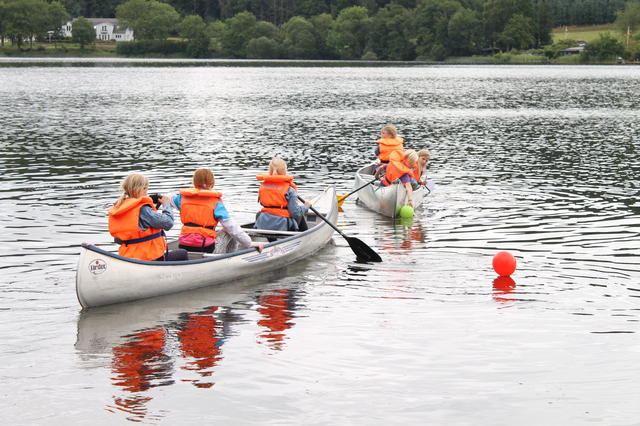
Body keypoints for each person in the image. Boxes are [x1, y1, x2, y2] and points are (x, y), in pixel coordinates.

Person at [172, 168, 263, 253]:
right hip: (206, 248)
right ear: (212, 184)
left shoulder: (182, 198)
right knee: (228, 230)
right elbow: (231, 226)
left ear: (194, 183)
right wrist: (249, 243)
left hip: (184, 245)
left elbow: (167, 200)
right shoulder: (215, 202)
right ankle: (230, 257)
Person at [108, 173, 188, 261]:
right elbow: (168, 223)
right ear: (140, 189)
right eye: (145, 188)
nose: (146, 192)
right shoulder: (143, 209)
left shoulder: (119, 207)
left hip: (128, 257)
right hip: (149, 257)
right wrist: (166, 205)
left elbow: (118, 240)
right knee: (182, 253)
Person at [255, 157, 312, 232]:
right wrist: (306, 207)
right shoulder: (290, 190)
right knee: (300, 214)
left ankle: (272, 241)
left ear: (270, 171)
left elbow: (263, 203)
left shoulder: (263, 186)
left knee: (260, 214)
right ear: (285, 172)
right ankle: (305, 237)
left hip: (263, 223)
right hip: (282, 225)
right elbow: (295, 213)